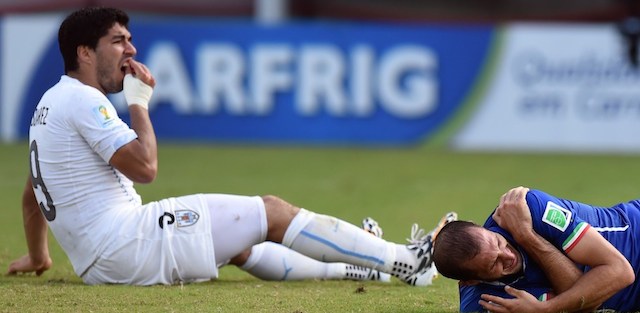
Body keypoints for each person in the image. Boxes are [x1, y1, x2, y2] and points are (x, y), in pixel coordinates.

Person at [6, 6, 447, 287]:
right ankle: (403, 261)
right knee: (271, 211)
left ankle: (360, 267)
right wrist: (139, 105)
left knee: (238, 244)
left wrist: (40, 255)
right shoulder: (85, 101)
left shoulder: (49, 104)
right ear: (84, 52)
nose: (131, 48)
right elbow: (145, 167)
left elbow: (33, 195)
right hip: (128, 245)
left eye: (129, 38)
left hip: (102, 260)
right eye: (118, 40)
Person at [432, 186, 639, 313]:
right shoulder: (487, 301)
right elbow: (583, 302)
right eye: (494, 263)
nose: (508, 255)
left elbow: (621, 271)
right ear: (471, 281)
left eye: (497, 242)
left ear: (478, 225)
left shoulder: (528, 207)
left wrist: (527, 237)